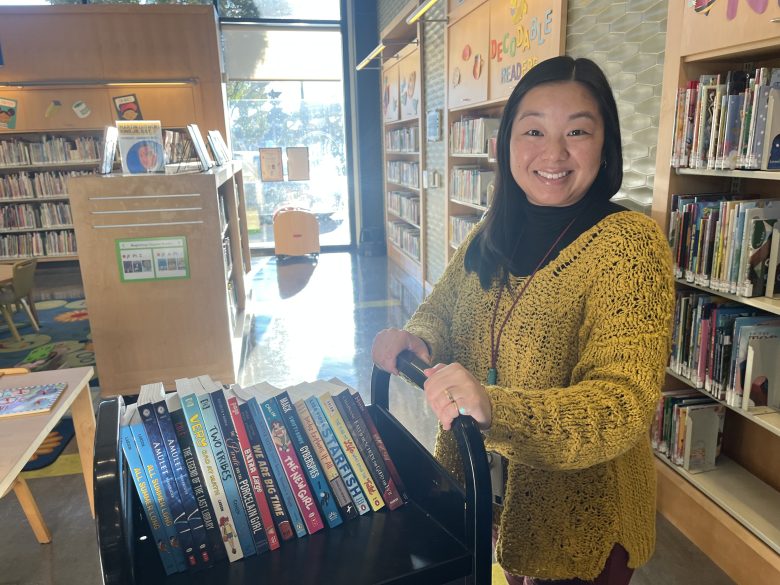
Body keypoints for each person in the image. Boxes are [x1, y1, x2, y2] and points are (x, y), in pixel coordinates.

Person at [372, 56, 674, 585]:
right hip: (490, 495)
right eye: (533, 129)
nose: (553, 153)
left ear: (606, 147)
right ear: (506, 141)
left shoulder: (630, 245)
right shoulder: (493, 229)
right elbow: (442, 309)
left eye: (578, 131)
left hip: (582, 521)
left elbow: (623, 402)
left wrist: (497, 409)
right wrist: (415, 337)